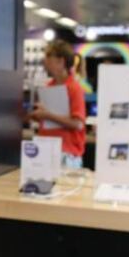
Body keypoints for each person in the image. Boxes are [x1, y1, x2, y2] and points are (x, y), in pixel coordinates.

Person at [28, 39, 86, 168]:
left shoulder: (74, 88)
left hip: (66, 155)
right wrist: (37, 115)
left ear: (61, 61)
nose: (45, 61)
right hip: (45, 150)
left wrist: (48, 115)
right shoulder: (48, 86)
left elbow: (78, 124)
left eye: (49, 57)